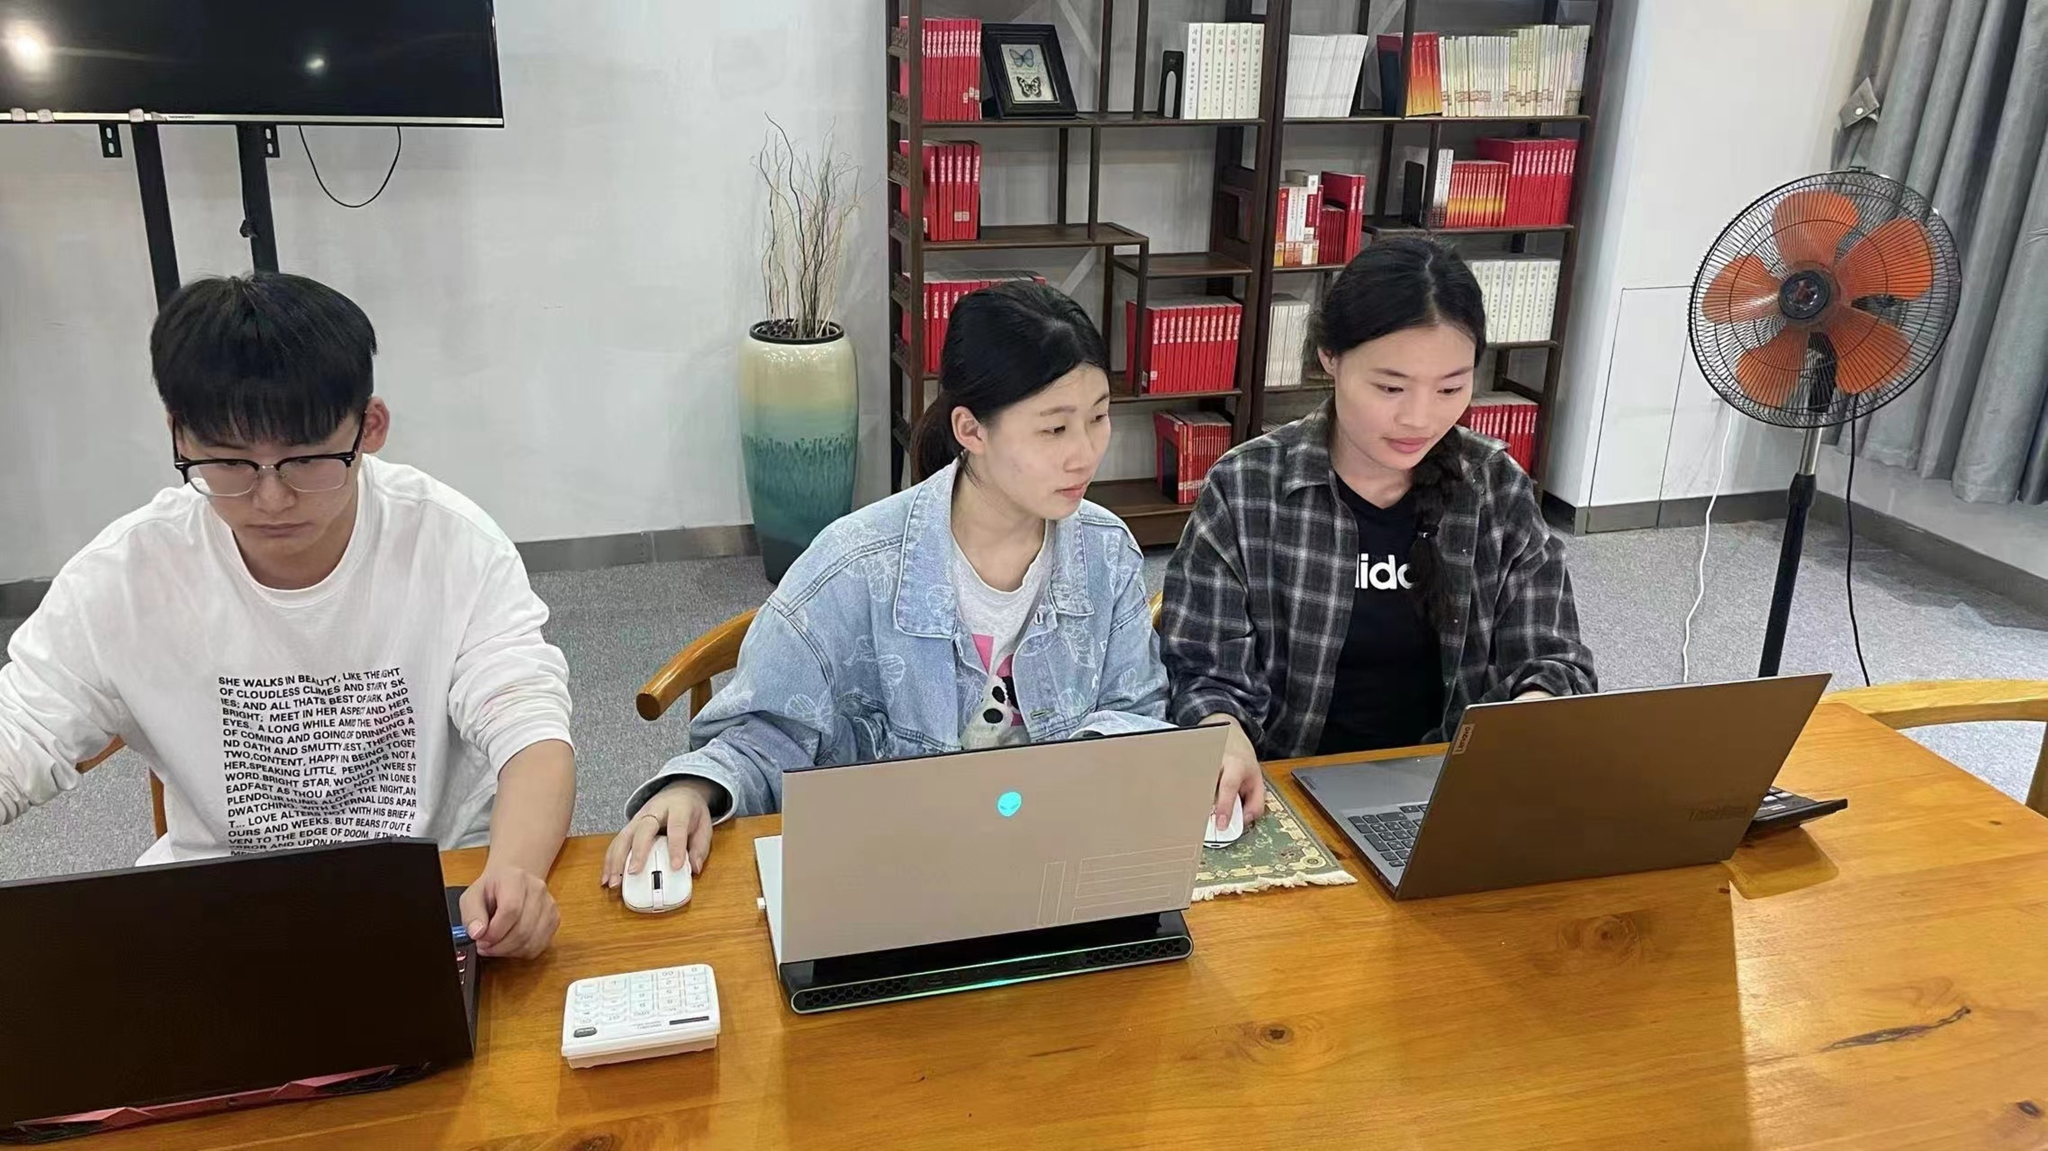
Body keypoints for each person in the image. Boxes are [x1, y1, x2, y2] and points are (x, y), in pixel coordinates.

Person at [0, 273, 576, 959]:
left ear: (369, 427)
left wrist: (515, 872)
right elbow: (20, 732)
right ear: (179, 434)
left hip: (427, 900)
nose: (271, 499)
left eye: (306, 460)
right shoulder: (125, 575)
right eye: (230, 463)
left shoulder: (450, 544)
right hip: (220, 910)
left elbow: (530, 727)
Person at [603, 282, 1171, 886]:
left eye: (1099, 417)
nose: (1085, 454)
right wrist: (693, 789)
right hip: (895, 877)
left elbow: (1137, 710)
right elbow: (765, 738)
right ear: (971, 430)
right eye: (1054, 429)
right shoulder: (854, 567)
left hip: (1055, 868)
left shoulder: (1104, 552)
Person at [1161, 237, 1596, 821]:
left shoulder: (1494, 488)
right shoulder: (1248, 487)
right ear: (1330, 357)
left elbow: (1554, 659)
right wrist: (1222, 731)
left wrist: (1531, 713)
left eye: (1450, 388)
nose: (1420, 418)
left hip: (1453, 790)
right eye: (1390, 387)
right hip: (1287, 791)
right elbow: (1203, 669)